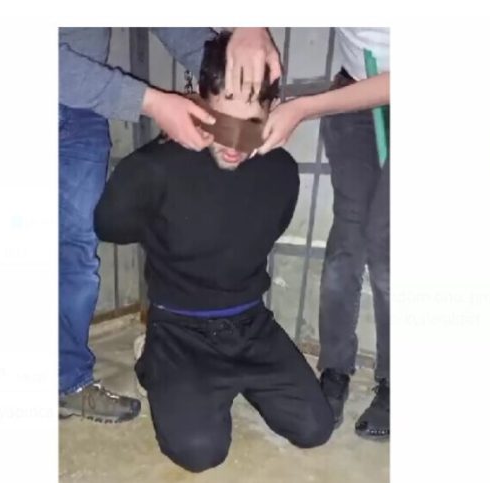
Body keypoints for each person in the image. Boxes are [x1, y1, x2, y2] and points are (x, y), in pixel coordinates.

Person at [93, 31, 334, 472]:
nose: (234, 144)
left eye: (250, 124)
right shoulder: (155, 168)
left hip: (251, 325)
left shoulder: (281, 171)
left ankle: (234, 382)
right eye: (222, 122)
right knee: (200, 452)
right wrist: (152, 167)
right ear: (198, 102)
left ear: (271, 113)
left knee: (315, 428)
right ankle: (153, 362)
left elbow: (270, 227)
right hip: (179, 328)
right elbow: (109, 226)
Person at [58, 27, 281, 423]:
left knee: (77, 255)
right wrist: (152, 102)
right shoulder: (153, 167)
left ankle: (67, 382)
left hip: (83, 110)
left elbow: (175, 25)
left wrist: (233, 79)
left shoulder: (278, 173)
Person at [255, 27, 390, 441]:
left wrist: (302, 108)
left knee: (387, 242)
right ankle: (334, 368)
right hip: (352, 95)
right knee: (347, 239)